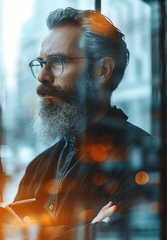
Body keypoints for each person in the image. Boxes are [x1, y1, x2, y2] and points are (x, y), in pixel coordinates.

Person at [13, 7, 150, 239]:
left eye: (56, 62)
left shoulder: (144, 156)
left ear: (102, 70)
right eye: (41, 63)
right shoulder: (36, 166)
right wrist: (90, 231)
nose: (42, 76)